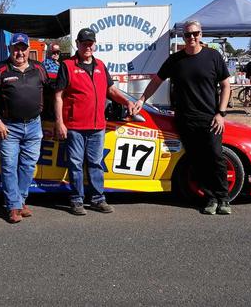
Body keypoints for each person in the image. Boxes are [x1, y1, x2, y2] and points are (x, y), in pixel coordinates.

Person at [133, 20, 232, 215]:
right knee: (197, 160)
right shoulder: (175, 60)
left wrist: (221, 113)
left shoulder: (213, 56)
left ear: (201, 34)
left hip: (210, 119)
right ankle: (210, 198)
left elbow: (226, 85)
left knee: (215, 157)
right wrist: (142, 99)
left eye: (195, 33)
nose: (192, 37)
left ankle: (224, 199)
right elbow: (156, 80)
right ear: (183, 37)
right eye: (188, 35)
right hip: (185, 120)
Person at [54, 28, 135, 215]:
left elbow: (111, 91)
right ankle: (76, 201)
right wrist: (60, 122)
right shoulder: (67, 66)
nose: (88, 46)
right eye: (84, 43)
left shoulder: (100, 65)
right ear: (77, 44)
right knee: (75, 164)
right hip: (74, 126)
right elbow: (58, 96)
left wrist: (127, 102)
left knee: (96, 164)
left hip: (98, 126)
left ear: (95, 44)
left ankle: (98, 199)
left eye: (91, 43)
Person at [0, 33, 49, 223]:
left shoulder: (40, 69)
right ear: (10, 49)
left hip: (34, 126)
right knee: (9, 167)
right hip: (8, 127)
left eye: (23, 48)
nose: (20, 52)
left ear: (28, 49)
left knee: (28, 167)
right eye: (16, 48)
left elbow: (51, 93)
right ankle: (13, 207)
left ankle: (20, 200)